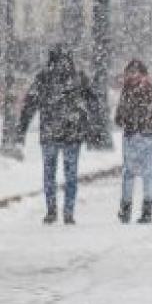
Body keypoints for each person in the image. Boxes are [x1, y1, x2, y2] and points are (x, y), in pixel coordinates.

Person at [12, 44, 98, 225]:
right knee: (71, 175)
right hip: (72, 134)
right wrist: (90, 126)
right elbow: (93, 102)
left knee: (49, 174)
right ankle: (68, 212)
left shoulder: (43, 77)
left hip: (50, 133)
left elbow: (29, 106)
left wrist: (21, 131)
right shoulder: (78, 78)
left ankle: (51, 210)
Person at [114, 60, 152, 224]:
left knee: (129, 174)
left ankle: (125, 209)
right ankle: (147, 210)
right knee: (149, 173)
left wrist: (129, 123)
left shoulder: (128, 92)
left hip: (132, 136)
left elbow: (119, 117)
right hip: (150, 136)